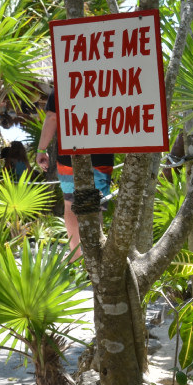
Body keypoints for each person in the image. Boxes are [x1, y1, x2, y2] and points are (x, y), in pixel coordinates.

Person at [36, 92, 114, 260]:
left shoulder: (65, 82)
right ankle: (94, 256)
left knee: (71, 203)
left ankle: (76, 255)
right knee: (94, 204)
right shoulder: (107, 79)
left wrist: (42, 149)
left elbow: (52, 118)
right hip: (103, 151)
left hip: (71, 153)